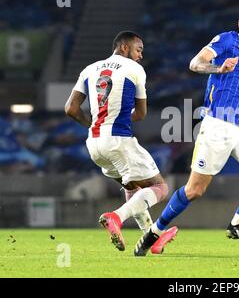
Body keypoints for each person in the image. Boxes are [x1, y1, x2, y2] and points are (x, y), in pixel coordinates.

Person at [134, 5, 239, 256]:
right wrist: (219, 68)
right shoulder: (226, 41)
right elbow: (195, 63)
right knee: (195, 191)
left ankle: (238, 222)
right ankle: (155, 232)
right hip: (217, 124)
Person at [65, 30, 177, 254]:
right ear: (124, 48)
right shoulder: (135, 69)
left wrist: (93, 124)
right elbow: (142, 113)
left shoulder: (89, 70)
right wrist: (120, 117)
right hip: (119, 139)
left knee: (132, 187)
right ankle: (115, 217)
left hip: (95, 143)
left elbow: (70, 109)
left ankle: (151, 239)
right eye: (139, 49)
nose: (140, 55)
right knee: (160, 187)